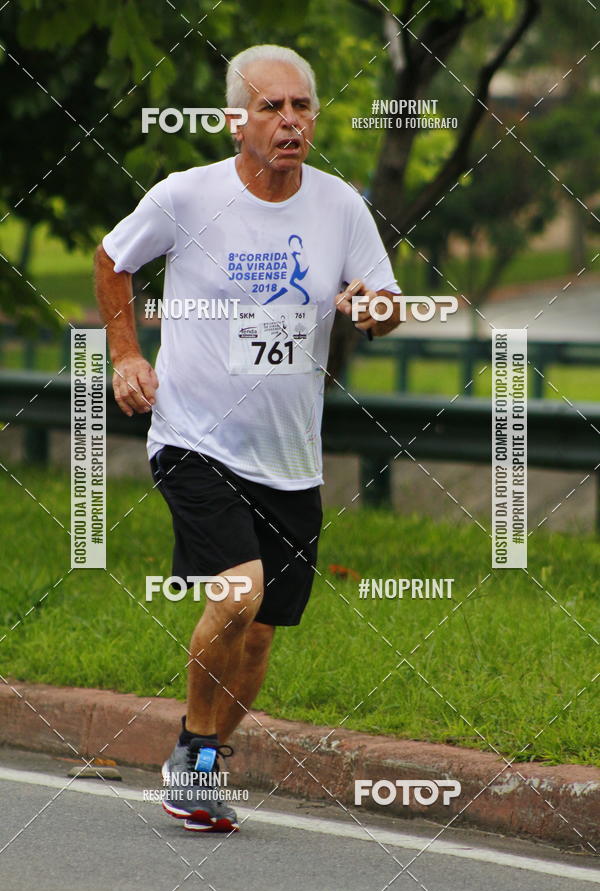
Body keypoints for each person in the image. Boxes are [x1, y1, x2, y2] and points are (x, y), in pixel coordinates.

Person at [94, 43, 400, 833]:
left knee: (259, 644)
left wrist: (374, 306)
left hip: (291, 459)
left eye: (302, 107)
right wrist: (126, 353)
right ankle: (197, 758)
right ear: (238, 121)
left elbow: (388, 299)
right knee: (238, 593)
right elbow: (111, 258)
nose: (290, 122)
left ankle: (193, 764)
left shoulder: (339, 206)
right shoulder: (186, 197)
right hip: (194, 437)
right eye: (272, 107)